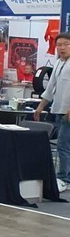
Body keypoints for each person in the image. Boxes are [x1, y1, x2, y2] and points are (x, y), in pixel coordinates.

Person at [34, 31, 70, 193]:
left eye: (66, 44)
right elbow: (50, 88)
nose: (62, 48)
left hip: (68, 111)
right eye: (59, 45)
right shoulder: (58, 63)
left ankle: (64, 179)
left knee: (63, 145)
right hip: (58, 109)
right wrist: (40, 106)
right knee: (65, 145)